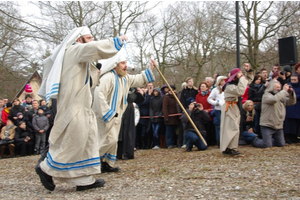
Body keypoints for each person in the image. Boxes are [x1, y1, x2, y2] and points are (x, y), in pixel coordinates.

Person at [36, 26, 128, 191]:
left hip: (83, 104)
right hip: (73, 104)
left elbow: (90, 83)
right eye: (88, 37)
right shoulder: (74, 50)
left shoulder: (80, 58)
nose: (91, 40)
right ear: (79, 39)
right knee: (74, 141)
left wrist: (95, 71)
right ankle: (46, 169)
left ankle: (84, 180)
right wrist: (116, 42)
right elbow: (94, 48)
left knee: (87, 139)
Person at [92, 50, 156, 173]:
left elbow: (137, 79)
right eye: (122, 63)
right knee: (107, 140)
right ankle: (90, 161)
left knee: (113, 140)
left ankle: (106, 163)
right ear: (114, 65)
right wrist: (107, 113)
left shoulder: (124, 78)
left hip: (116, 116)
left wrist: (150, 69)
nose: (125, 65)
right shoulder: (107, 78)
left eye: (125, 62)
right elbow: (98, 95)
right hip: (105, 116)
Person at [252, 80, 296, 148]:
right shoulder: (266, 95)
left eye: (279, 87)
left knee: (281, 144)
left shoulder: (280, 96)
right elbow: (274, 99)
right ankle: (255, 140)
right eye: (277, 87)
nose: (279, 89)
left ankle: (269, 140)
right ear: (272, 87)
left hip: (278, 125)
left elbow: (291, 102)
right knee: (266, 145)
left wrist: (291, 94)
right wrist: (284, 91)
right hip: (267, 125)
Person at [220, 68, 248, 156]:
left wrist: (248, 72)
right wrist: (243, 79)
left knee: (232, 127)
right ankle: (231, 148)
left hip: (233, 106)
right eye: (239, 73)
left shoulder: (233, 84)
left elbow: (246, 82)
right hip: (230, 107)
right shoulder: (229, 86)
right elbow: (240, 91)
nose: (241, 74)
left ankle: (229, 147)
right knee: (231, 128)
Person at [117, 87, 144, 160]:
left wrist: (141, 94)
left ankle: (127, 153)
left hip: (128, 109)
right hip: (119, 108)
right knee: (119, 132)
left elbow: (139, 99)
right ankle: (118, 153)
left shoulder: (132, 89)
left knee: (128, 132)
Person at [207, 76, 227, 147]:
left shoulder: (227, 89)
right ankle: (219, 141)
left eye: (224, 80)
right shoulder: (215, 90)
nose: (224, 82)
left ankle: (226, 141)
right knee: (219, 126)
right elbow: (209, 99)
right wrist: (216, 103)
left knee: (226, 126)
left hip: (227, 109)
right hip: (219, 110)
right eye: (222, 81)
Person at [283, 75, 300, 143]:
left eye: (294, 80)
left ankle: (295, 136)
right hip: (290, 107)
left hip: (298, 107)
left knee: (296, 123)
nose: (293, 81)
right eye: (292, 79)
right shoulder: (288, 86)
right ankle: (289, 137)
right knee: (289, 124)